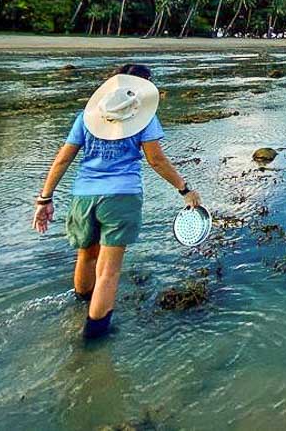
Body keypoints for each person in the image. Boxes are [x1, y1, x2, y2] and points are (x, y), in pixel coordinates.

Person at [32, 63, 202, 339]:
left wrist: (44, 199)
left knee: (86, 256)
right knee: (108, 272)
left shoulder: (86, 117)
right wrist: (185, 189)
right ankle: (94, 338)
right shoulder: (145, 118)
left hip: (83, 196)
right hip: (122, 197)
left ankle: (81, 307)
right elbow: (156, 160)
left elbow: (63, 158)